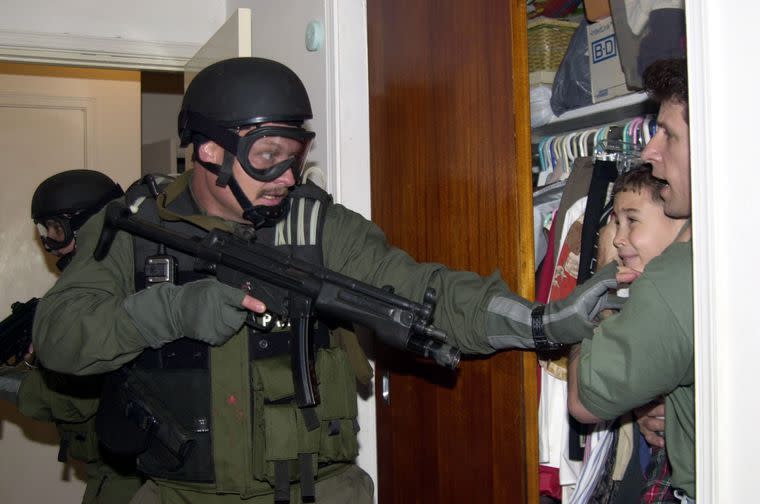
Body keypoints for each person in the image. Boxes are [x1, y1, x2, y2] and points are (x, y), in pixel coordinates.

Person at [31, 57, 621, 504]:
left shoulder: (314, 227)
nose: (287, 176)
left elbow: (419, 291)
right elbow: (58, 337)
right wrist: (168, 313)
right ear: (211, 150)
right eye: (267, 155)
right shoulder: (136, 229)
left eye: (296, 154)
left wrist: (539, 322)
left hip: (312, 491)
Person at [565, 58, 696, 503]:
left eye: (670, 134)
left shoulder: (675, 278)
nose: (650, 150)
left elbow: (583, 398)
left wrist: (595, 289)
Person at [0, 169, 143, 503]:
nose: (50, 245)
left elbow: (75, 400)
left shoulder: (118, 290)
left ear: (87, 225)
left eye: (55, 230)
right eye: (43, 232)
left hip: (131, 477)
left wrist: (7, 382)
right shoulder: (88, 289)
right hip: (113, 470)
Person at [568, 165, 688, 503]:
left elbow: (585, 397)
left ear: (679, 225)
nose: (617, 237)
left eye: (631, 220)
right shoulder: (645, 295)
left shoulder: (669, 298)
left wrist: (602, 276)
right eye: (615, 222)